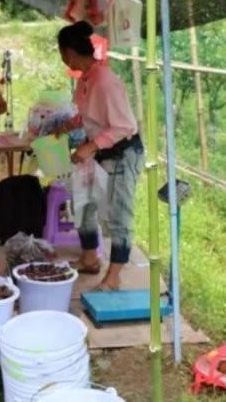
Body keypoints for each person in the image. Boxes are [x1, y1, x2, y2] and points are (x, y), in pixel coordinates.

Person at [57, 21, 144, 291]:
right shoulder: (86, 78)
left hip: (121, 152)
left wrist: (89, 146)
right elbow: (89, 114)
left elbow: (123, 126)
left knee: (119, 215)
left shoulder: (105, 81)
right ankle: (89, 258)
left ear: (69, 53)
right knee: (83, 204)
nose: (62, 59)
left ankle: (114, 275)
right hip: (98, 150)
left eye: (61, 53)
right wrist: (70, 125)